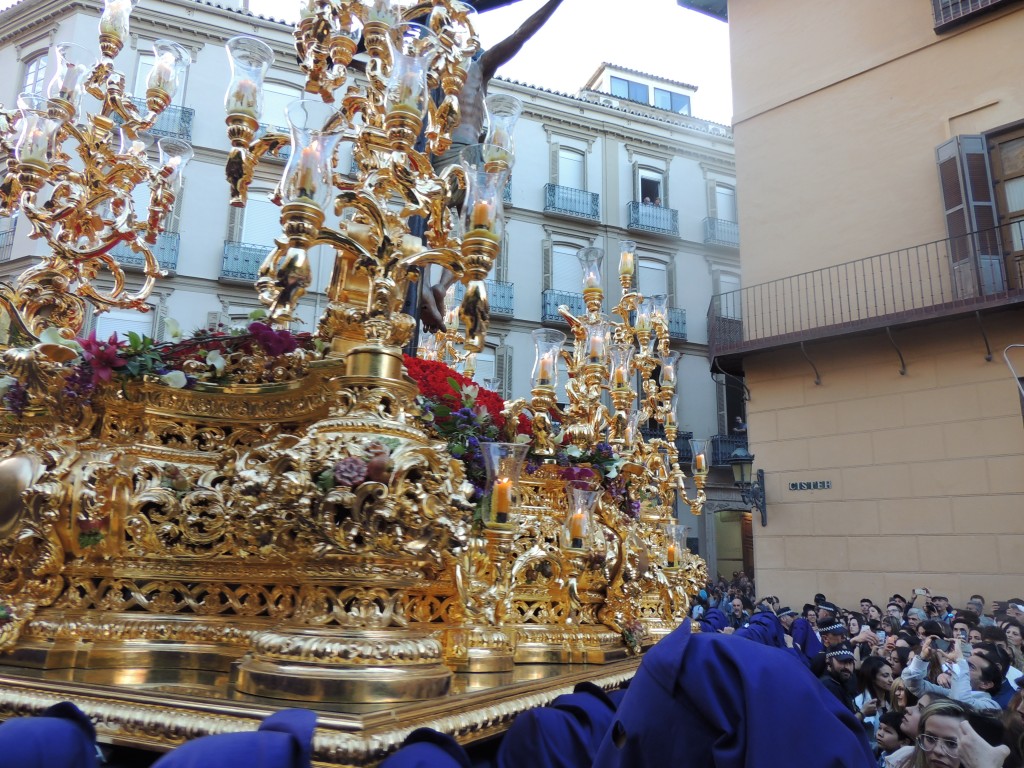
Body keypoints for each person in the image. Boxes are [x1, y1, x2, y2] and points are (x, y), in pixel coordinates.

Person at [419, 0, 566, 333]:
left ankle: (432, 285)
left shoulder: (468, 68)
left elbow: (520, 35)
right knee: (467, 230)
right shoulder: (450, 68)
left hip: (451, 155)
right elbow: (519, 35)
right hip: (452, 155)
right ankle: (436, 285)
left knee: (446, 226)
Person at [820, 643, 859, 716]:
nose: (847, 667)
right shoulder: (828, 686)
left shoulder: (843, 683)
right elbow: (838, 720)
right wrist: (862, 714)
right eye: (842, 661)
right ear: (828, 662)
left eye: (850, 662)